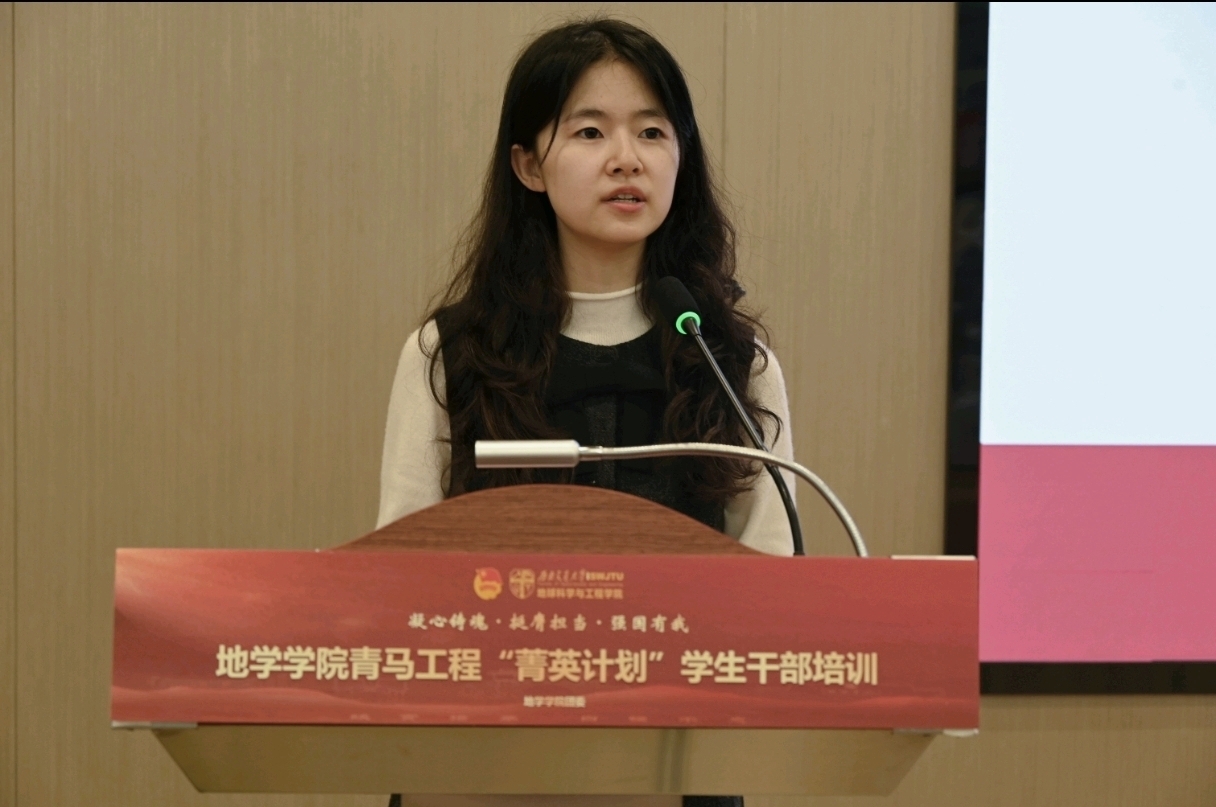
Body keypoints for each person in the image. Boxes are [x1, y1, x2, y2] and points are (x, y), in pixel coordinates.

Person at [379, 17, 797, 807]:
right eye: (590, 131)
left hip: (679, 766)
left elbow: (773, 584)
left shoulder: (729, 360)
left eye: (652, 132)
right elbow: (400, 578)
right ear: (529, 165)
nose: (626, 158)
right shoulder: (451, 353)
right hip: (484, 768)